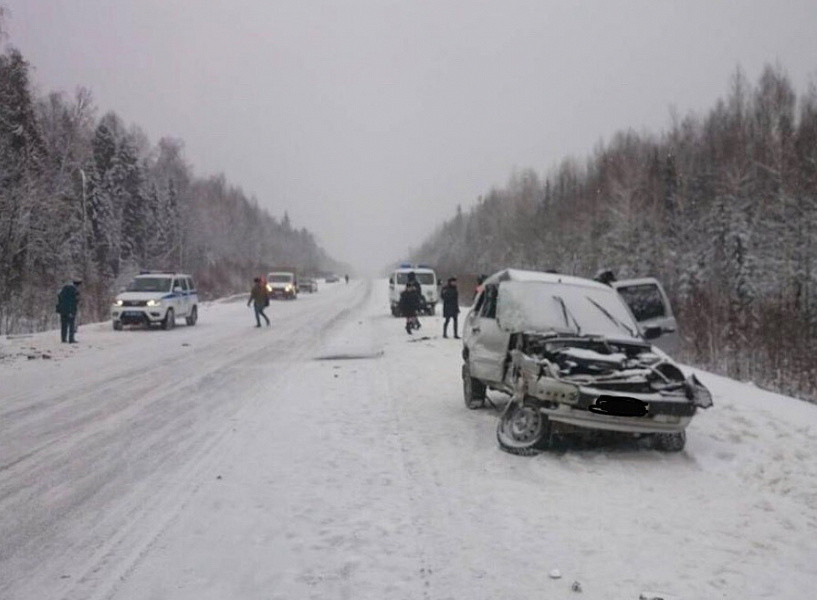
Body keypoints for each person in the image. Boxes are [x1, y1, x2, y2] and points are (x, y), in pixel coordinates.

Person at [56, 278, 81, 343]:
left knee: (63, 325)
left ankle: (63, 339)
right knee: (71, 324)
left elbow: (59, 299)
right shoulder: (75, 291)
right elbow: (76, 300)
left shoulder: (63, 290)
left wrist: (59, 309)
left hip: (62, 310)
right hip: (71, 310)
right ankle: (71, 339)